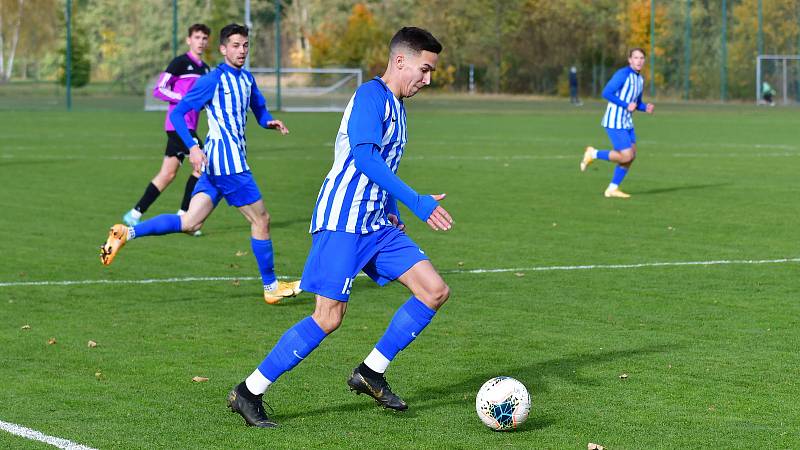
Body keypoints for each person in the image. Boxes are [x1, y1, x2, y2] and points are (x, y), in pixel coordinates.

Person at [225, 26, 454, 428]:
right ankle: (248, 392)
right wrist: (416, 201)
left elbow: (379, 167)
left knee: (434, 291)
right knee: (328, 317)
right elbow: (364, 159)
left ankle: (370, 372)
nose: (427, 79)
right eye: (425, 68)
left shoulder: (398, 106)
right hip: (343, 220)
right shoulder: (371, 96)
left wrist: (392, 205)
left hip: (377, 223)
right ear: (400, 60)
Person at [100, 23, 301, 304]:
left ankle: (126, 232)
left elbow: (259, 108)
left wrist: (269, 121)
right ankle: (271, 287)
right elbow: (180, 113)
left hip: (216, 168)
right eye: (235, 45)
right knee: (262, 220)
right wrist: (193, 147)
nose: (241, 50)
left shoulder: (247, 80)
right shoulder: (212, 80)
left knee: (190, 222)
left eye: (245, 45)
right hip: (228, 165)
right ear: (222, 49)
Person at [122, 24, 211, 236]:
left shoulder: (206, 70)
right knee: (202, 164)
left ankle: (134, 213)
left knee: (168, 174)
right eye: (197, 37)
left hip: (188, 126)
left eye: (205, 38)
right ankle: (186, 215)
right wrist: (184, 99)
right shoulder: (180, 63)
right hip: (178, 126)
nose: (201, 41)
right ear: (189, 39)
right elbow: (159, 89)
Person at [580, 48, 654, 198]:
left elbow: (636, 103)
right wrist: (626, 105)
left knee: (631, 156)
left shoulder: (640, 79)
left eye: (641, 58)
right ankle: (593, 153)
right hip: (615, 121)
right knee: (626, 156)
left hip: (627, 122)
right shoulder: (623, 74)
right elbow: (606, 92)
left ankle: (612, 189)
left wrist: (644, 107)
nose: (639, 61)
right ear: (630, 60)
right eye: (636, 58)